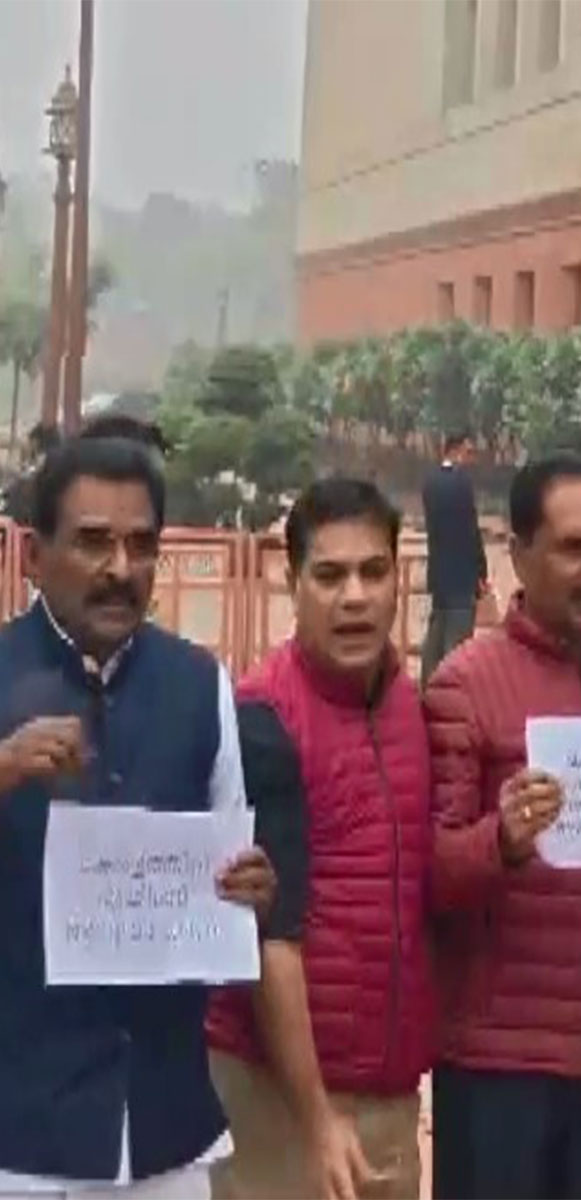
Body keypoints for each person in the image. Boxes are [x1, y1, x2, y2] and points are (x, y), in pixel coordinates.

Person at [0, 435, 275, 1194]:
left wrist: (249, 891)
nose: (120, 569)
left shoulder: (201, 685)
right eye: (92, 543)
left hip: (165, 1134)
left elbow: (231, 874)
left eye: (141, 545)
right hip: (20, 1140)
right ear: (33, 553)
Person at [426, 452, 581, 1200]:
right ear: (520, 554)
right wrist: (498, 841)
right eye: (574, 549)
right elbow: (433, 876)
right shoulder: (464, 684)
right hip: (498, 1060)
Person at [207, 479, 434, 1200]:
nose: (355, 597)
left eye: (374, 572)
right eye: (330, 576)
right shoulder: (264, 718)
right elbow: (272, 936)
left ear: (400, 579)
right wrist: (317, 1120)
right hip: (280, 1100)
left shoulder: (407, 702)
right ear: (291, 580)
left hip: (389, 1093)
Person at [421, 431, 487, 684]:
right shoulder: (462, 484)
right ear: (455, 450)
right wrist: (482, 570)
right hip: (462, 576)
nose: (470, 459)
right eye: (468, 453)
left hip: (439, 575)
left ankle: (427, 689)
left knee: (435, 641)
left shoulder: (430, 484)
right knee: (457, 647)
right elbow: (470, 530)